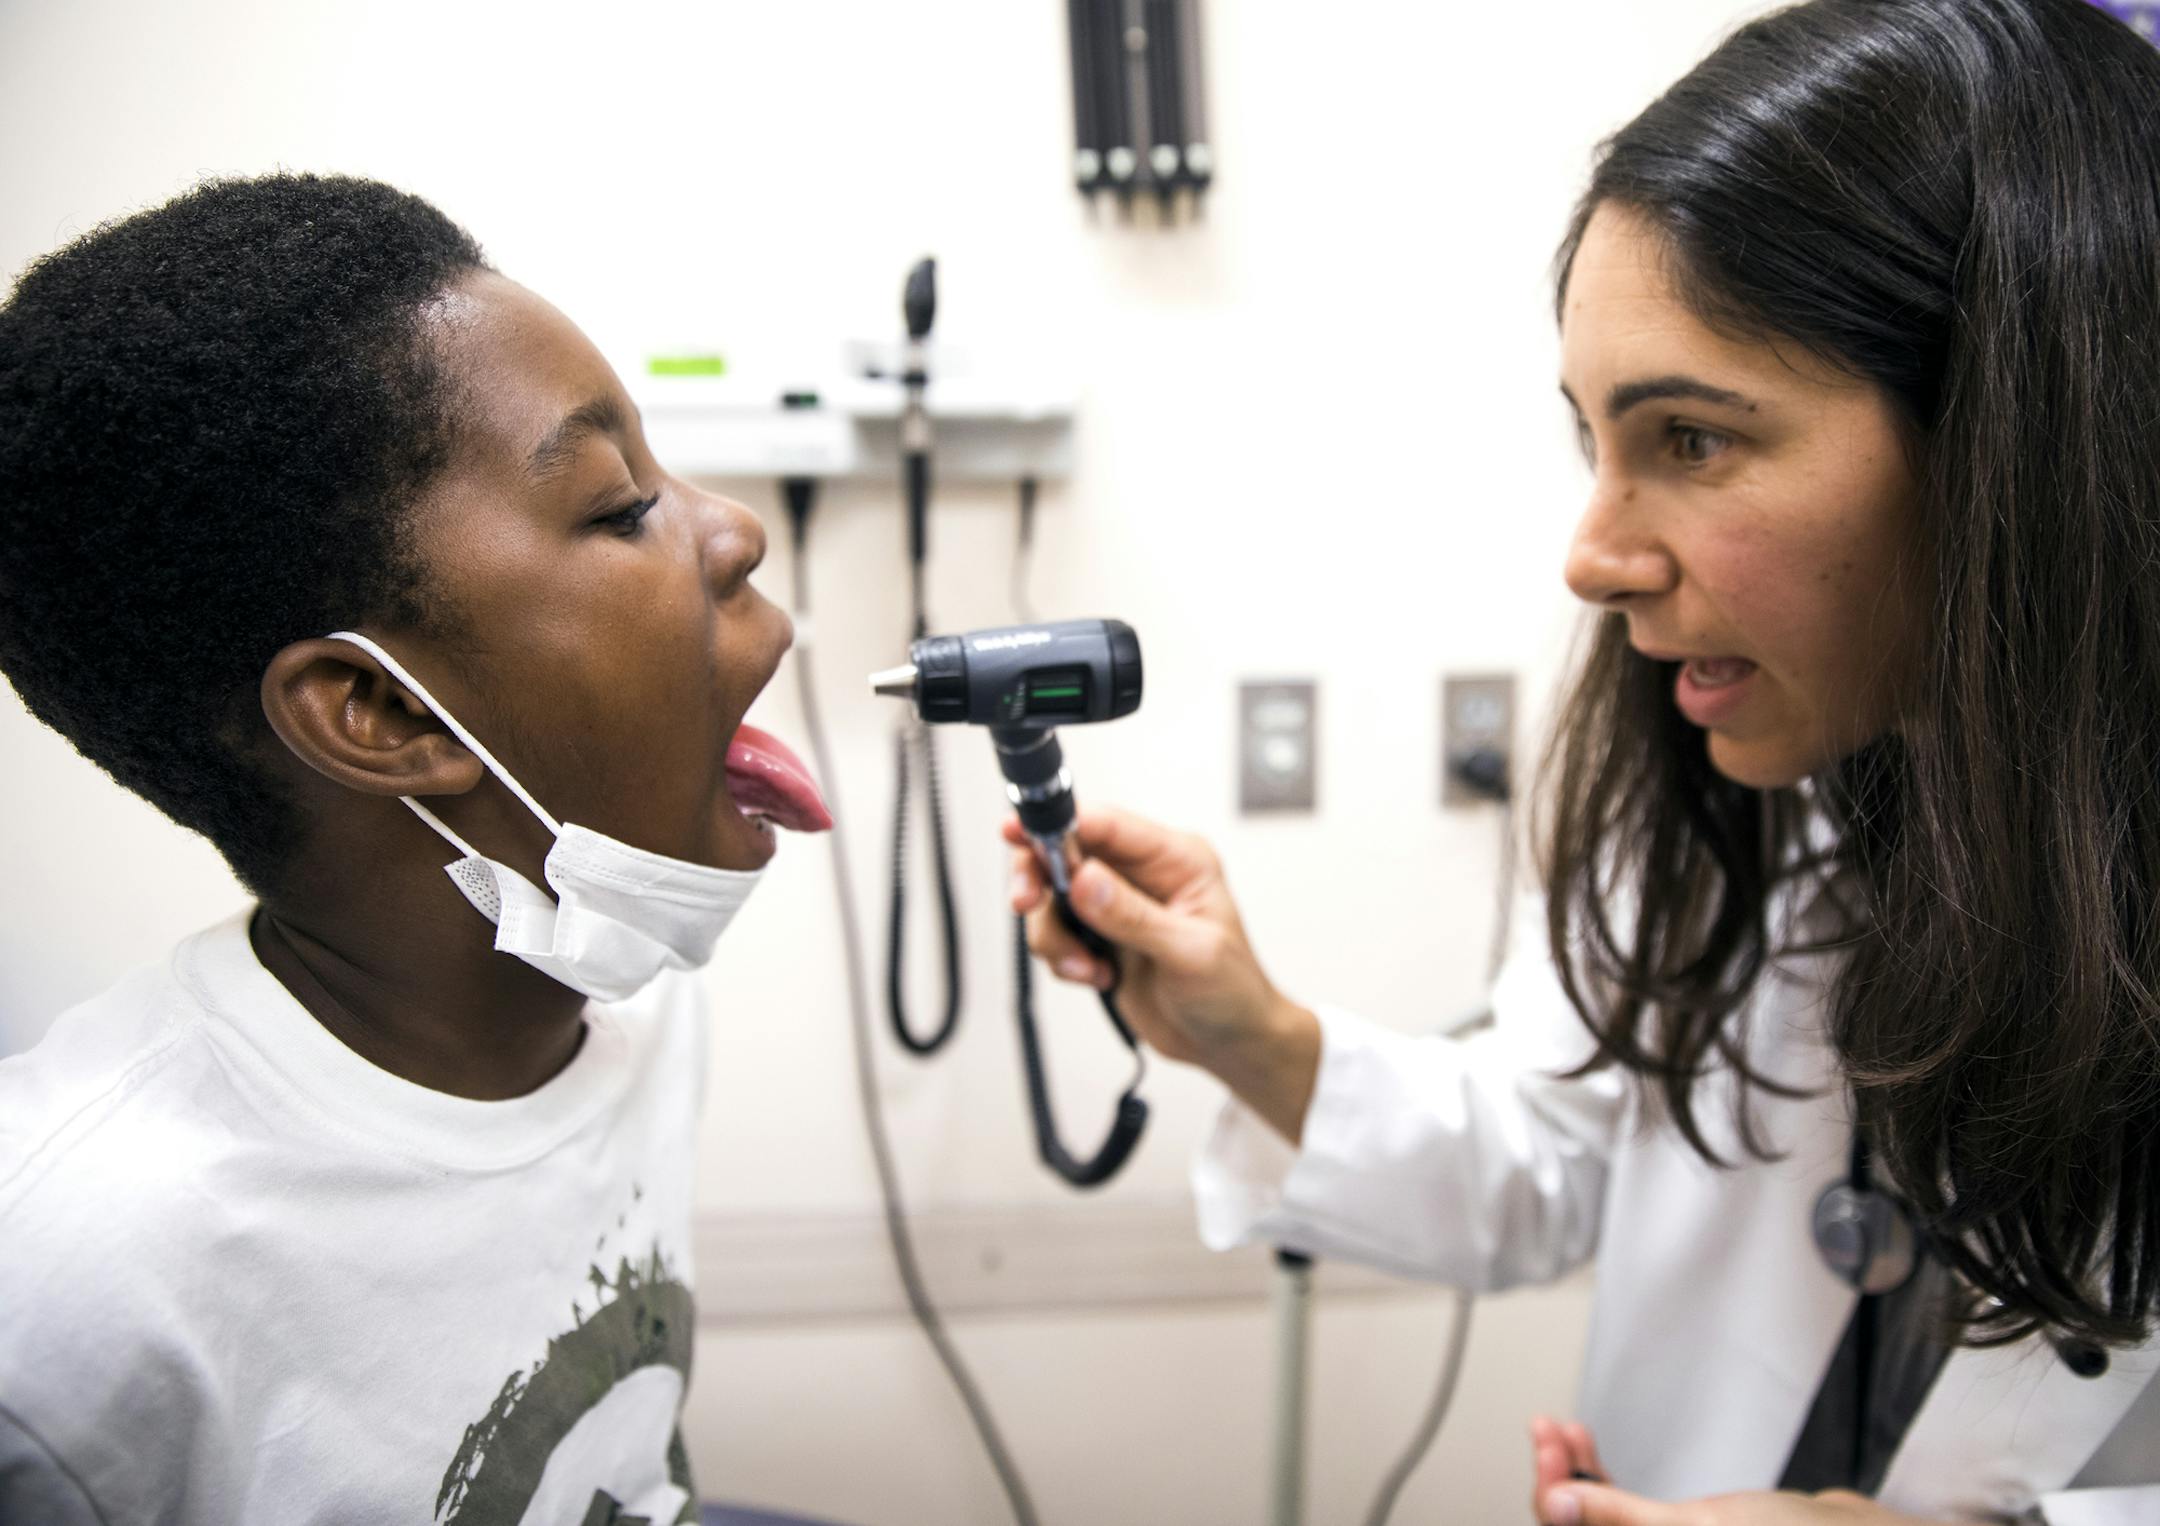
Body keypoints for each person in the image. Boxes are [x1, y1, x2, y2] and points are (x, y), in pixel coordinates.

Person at [1013, 1, 2160, 1521]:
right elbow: (1566, 1142)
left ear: (2003, 433)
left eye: (1691, 439)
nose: (1593, 556)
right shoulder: (1738, 776)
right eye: (1595, 442)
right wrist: (1253, 1035)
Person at [0, 174, 831, 1523]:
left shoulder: (642, 1010)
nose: (731, 529)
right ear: (382, 712)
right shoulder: (65, 1289)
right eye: (623, 507)